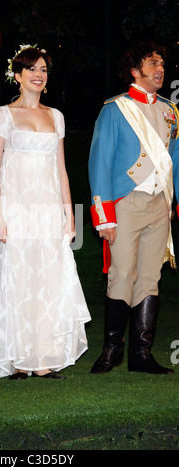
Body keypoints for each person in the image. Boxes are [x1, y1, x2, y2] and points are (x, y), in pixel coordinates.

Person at [0, 44, 91, 380]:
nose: (38, 74)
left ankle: (43, 359)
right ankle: (19, 359)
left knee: (49, 281)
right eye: (31, 68)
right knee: (18, 281)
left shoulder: (56, 116)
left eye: (43, 69)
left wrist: (69, 214)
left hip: (48, 211)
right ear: (17, 76)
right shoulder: (3, 115)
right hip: (16, 210)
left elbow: (61, 169)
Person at [88, 41, 179, 375]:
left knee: (150, 278)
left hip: (160, 206)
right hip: (125, 205)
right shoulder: (115, 109)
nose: (160, 68)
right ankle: (111, 351)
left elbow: (176, 163)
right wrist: (103, 217)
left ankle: (142, 354)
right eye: (152, 62)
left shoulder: (171, 111)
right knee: (123, 274)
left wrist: (175, 205)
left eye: (163, 63)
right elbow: (99, 163)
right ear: (134, 69)